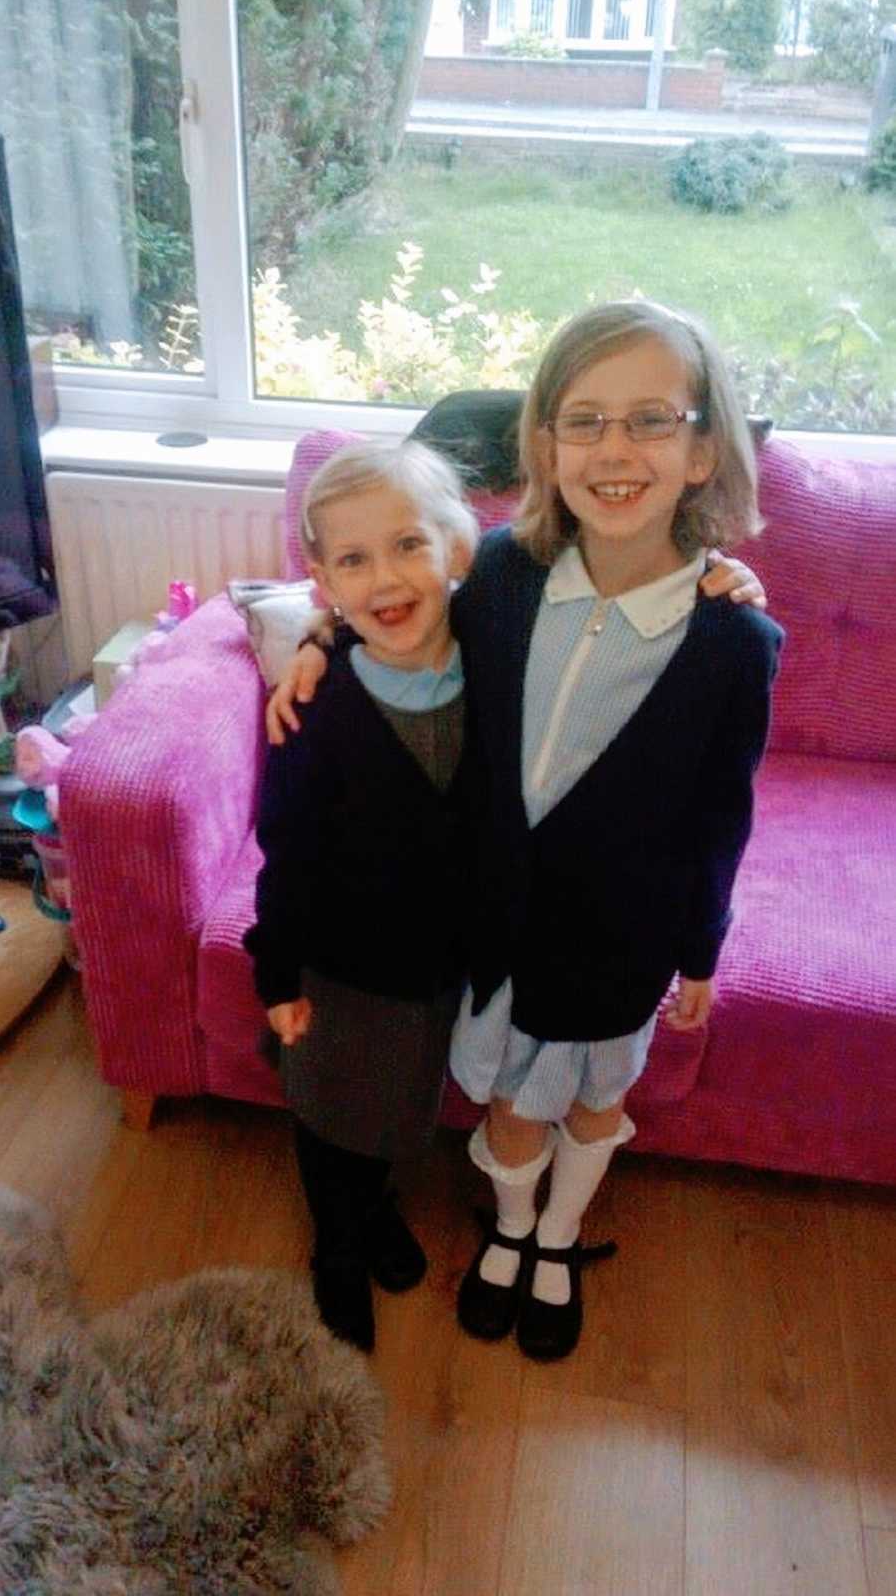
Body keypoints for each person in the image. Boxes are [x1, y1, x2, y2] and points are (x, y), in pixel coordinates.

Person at [268, 299, 781, 1364]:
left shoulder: (734, 640)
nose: (614, 448)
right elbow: (393, 593)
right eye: (583, 420)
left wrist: (699, 948)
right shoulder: (504, 575)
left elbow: (720, 813)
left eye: (650, 419)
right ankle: (508, 1233)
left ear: (701, 451)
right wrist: (318, 635)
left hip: (624, 938)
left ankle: (557, 1238)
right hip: (499, 929)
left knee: (595, 1102)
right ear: (544, 444)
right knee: (507, 1097)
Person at [243, 439, 478, 1353]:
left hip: (434, 966)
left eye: (409, 545)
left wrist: (718, 571)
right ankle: (335, 1245)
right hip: (335, 967)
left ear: (459, 548)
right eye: (353, 560)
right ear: (322, 582)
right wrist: (278, 974)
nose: (386, 578)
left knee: (396, 1110)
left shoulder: (492, 652)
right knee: (328, 1112)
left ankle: (373, 1206)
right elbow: (286, 852)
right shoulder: (316, 704)